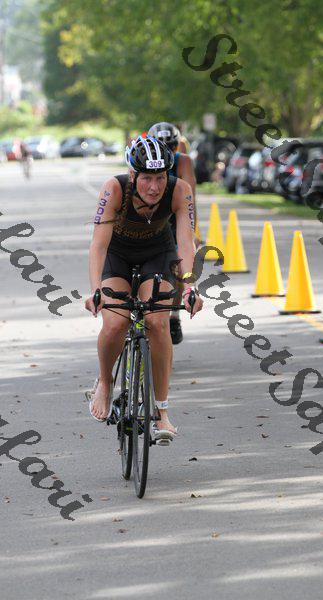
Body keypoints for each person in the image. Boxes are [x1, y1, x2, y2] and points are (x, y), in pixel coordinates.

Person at [85, 135, 203, 441]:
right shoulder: (114, 189)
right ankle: (105, 382)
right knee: (116, 323)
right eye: (147, 178)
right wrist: (95, 290)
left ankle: (162, 414)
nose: (154, 187)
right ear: (133, 175)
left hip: (158, 255)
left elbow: (186, 243)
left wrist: (189, 286)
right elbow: (98, 246)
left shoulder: (180, 190)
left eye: (160, 177)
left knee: (157, 322)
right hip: (117, 256)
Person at [147, 122, 197, 345]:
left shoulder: (182, 161)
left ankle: (174, 316)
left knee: (178, 266)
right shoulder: (143, 159)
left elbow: (190, 199)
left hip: (174, 217)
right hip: (148, 219)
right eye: (160, 146)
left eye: (171, 146)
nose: (166, 151)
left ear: (177, 147)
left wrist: (191, 232)